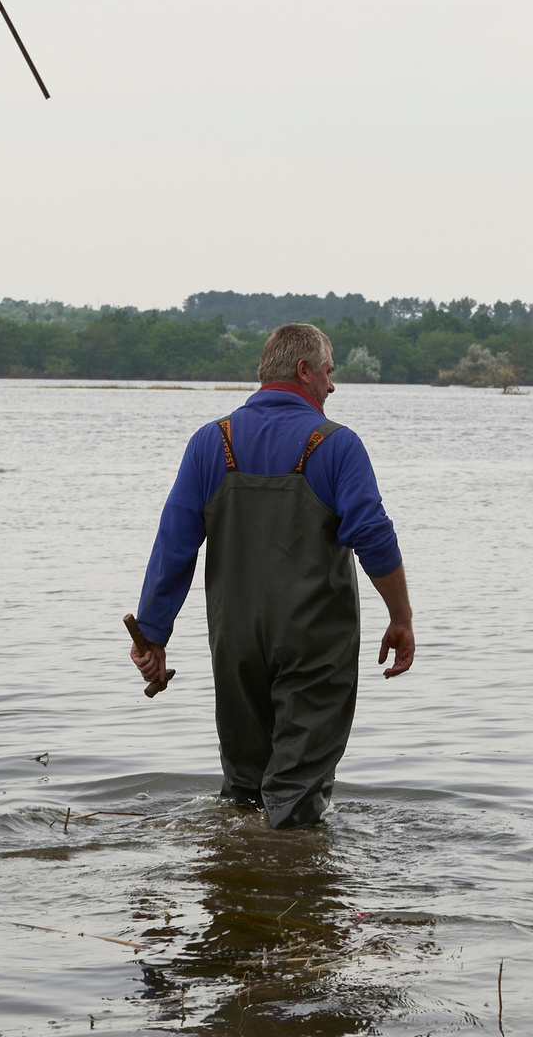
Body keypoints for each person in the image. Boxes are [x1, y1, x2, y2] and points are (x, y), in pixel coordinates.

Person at [127, 322, 416, 827]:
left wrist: (152, 634)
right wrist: (401, 617)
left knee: (244, 790)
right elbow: (373, 534)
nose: (332, 385)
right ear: (304, 371)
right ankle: (291, 889)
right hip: (314, 645)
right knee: (296, 796)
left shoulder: (209, 442)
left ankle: (238, 889)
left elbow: (174, 543)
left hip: (235, 643)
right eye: (328, 372)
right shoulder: (338, 445)